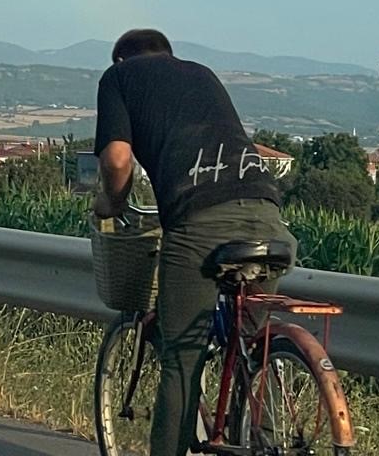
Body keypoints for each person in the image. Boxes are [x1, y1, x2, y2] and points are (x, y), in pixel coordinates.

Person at [92, 27, 295, 456]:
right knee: (249, 353)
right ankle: (265, 441)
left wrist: (111, 203)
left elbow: (117, 159)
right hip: (268, 215)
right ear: (168, 54)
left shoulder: (119, 78)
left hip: (200, 220)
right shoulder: (201, 74)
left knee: (182, 361)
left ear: (122, 60)